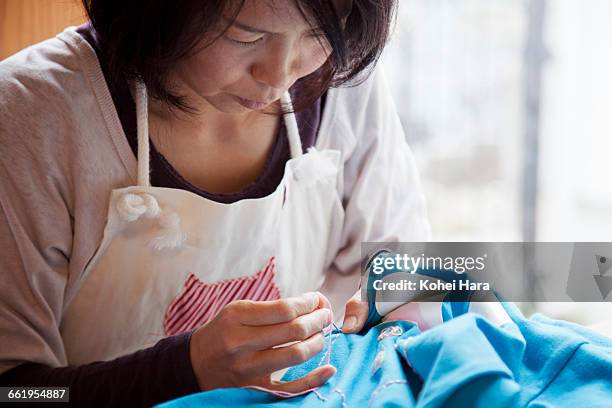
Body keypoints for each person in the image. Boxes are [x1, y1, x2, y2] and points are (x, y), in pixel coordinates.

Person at [0, 0, 430, 406]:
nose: (279, 75)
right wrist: (184, 370)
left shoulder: (340, 83)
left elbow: (420, 266)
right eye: (245, 35)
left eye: (316, 33)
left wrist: (418, 290)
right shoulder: (29, 114)